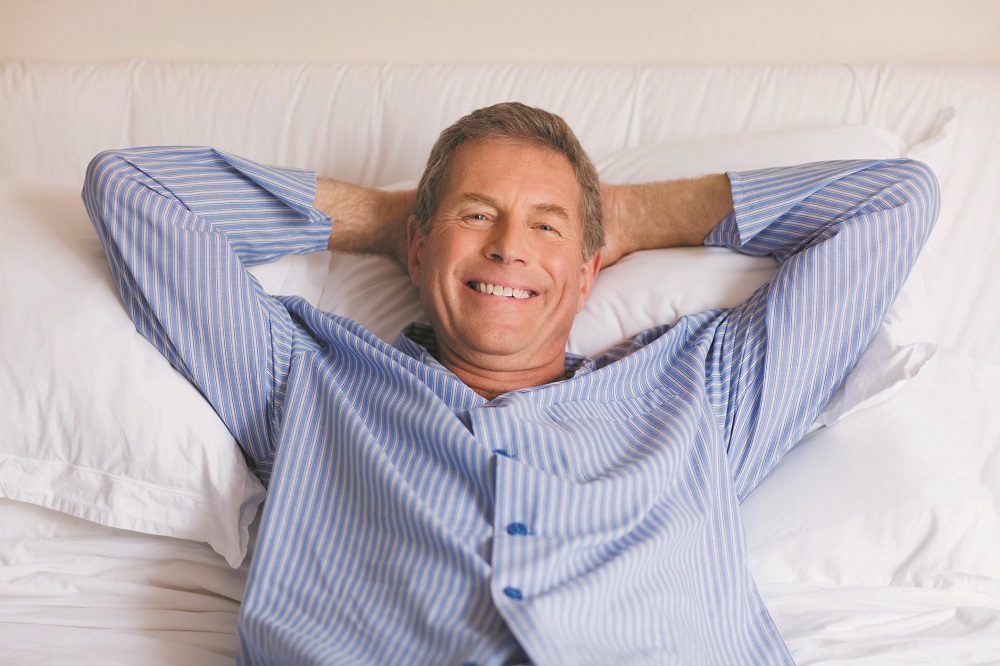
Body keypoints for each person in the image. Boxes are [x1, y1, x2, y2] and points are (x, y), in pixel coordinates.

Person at [82, 102, 939, 665]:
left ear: (590, 270)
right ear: (419, 250)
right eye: (476, 215)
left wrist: (633, 215)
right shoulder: (304, 380)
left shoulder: (703, 393)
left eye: (546, 226)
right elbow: (132, 190)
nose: (508, 247)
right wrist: (392, 219)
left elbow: (893, 201)